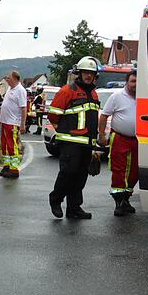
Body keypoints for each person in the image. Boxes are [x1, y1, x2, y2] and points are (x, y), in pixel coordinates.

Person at [48, 57, 101, 219]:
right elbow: (53, 115)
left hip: (86, 143)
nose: (88, 76)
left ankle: (74, 208)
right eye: (86, 72)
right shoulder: (67, 90)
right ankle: (55, 199)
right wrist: (64, 131)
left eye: (91, 73)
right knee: (68, 173)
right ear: (79, 73)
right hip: (70, 141)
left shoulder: (93, 93)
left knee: (80, 176)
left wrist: (94, 146)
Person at [98, 70, 138, 216]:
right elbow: (104, 116)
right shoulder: (117, 96)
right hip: (120, 138)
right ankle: (119, 203)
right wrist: (101, 135)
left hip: (139, 140)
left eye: (139, 82)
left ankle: (126, 200)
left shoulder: (145, 97)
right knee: (119, 170)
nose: (136, 85)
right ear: (127, 82)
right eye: (133, 81)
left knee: (135, 172)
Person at [0, 70, 27, 178]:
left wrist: (22, 124)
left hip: (13, 122)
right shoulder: (10, 88)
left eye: (9, 78)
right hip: (5, 121)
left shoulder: (20, 91)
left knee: (12, 145)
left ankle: (14, 170)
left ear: (14, 78)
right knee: (4, 144)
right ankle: (6, 166)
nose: (7, 79)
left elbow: (23, 108)